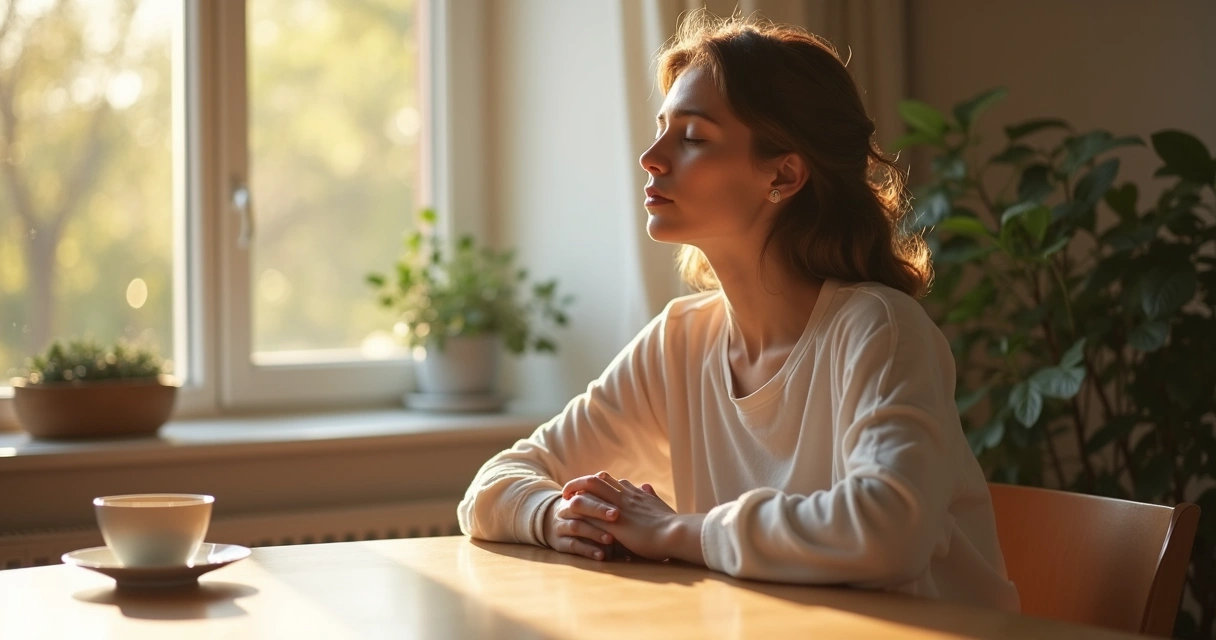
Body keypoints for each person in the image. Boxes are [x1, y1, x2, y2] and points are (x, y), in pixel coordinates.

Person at [457, 11, 1020, 613]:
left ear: (783, 175)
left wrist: (678, 530)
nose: (650, 157)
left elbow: (887, 532)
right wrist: (556, 516)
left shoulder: (877, 329)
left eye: (692, 137)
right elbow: (492, 486)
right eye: (660, 129)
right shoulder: (680, 341)